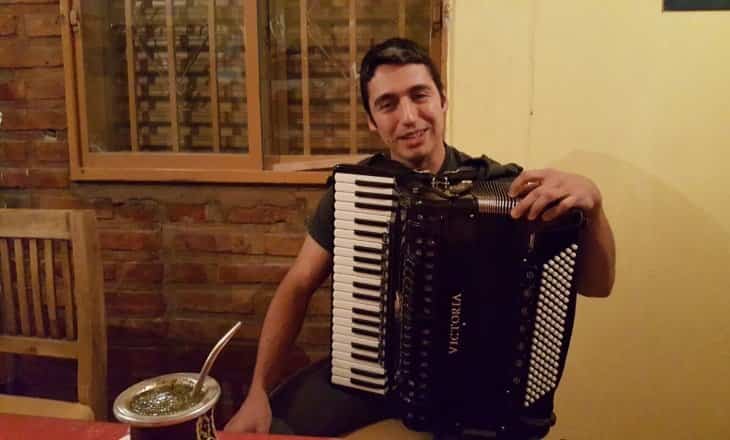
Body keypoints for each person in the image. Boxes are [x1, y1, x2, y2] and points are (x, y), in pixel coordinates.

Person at [224, 38, 616, 438]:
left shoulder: (504, 189)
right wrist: (258, 390)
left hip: (475, 385)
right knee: (276, 425)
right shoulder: (357, 194)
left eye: (419, 95)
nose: (409, 117)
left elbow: (598, 286)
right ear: (372, 121)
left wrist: (595, 209)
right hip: (373, 369)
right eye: (388, 104)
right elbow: (298, 284)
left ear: (442, 100)